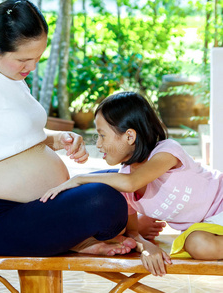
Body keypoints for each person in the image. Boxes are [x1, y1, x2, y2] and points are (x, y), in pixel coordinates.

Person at [0, 0, 136, 275]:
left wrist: (58, 139)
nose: (32, 67)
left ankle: (76, 241)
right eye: (24, 59)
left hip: (38, 208)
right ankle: (80, 239)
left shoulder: (12, 75)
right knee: (103, 199)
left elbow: (16, 137)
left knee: (124, 176)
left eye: (38, 58)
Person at [41, 91, 223, 276]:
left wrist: (78, 179)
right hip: (207, 227)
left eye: (102, 135)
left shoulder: (167, 151)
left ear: (129, 136)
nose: (98, 145)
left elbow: (132, 182)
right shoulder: (123, 184)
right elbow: (133, 232)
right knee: (198, 245)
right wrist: (146, 247)